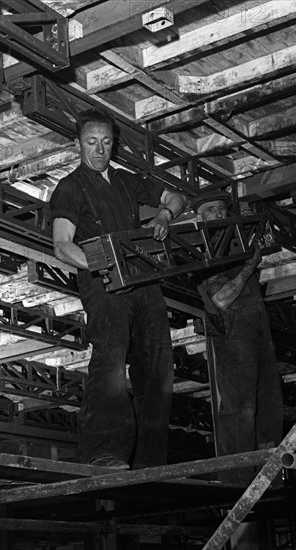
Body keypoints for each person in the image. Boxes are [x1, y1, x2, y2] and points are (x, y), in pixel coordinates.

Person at [49, 108, 186, 470]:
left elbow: (176, 198)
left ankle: (150, 462)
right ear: (78, 144)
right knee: (110, 363)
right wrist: (101, 263)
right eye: (92, 143)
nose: (99, 150)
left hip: (143, 280)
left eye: (106, 143)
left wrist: (163, 215)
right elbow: (62, 245)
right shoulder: (70, 188)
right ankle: (103, 452)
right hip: (104, 285)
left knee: (157, 369)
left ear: (114, 145)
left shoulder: (127, 181)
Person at [192, 189, 283, 485]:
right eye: (210, 211)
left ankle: (271, 475)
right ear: (198, 218)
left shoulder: (238, 247)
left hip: (258, 329)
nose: (218, 215)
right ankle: (239, 480)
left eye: (221, 209)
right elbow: (220, 299)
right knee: (240, 407)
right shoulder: (202, 256)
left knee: (269, 401)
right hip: (234, 334)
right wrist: (248, 268)